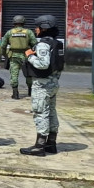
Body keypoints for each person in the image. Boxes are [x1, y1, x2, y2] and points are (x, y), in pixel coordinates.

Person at [19, 15, 64, 156]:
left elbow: (43, 64)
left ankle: (39, 146)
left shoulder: (43, 45)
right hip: (53, 83)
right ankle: (51, 143)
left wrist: (30, 56)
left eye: (37, 27)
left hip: (42, 85)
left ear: (44, 28)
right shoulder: (57, 43)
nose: (35, 29)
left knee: (40, 113)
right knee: (51, 112)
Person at [0, 15, 38, 99]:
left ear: (14, 23)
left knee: (14, 74)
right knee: (28, 75)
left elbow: (3, 45)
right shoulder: (28, 32)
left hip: (13, 56)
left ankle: (15, 93)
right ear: (23, 22)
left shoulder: (10, 32)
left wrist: (4, 55)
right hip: (27, 56)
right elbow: (35, 43)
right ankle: (30, 92)